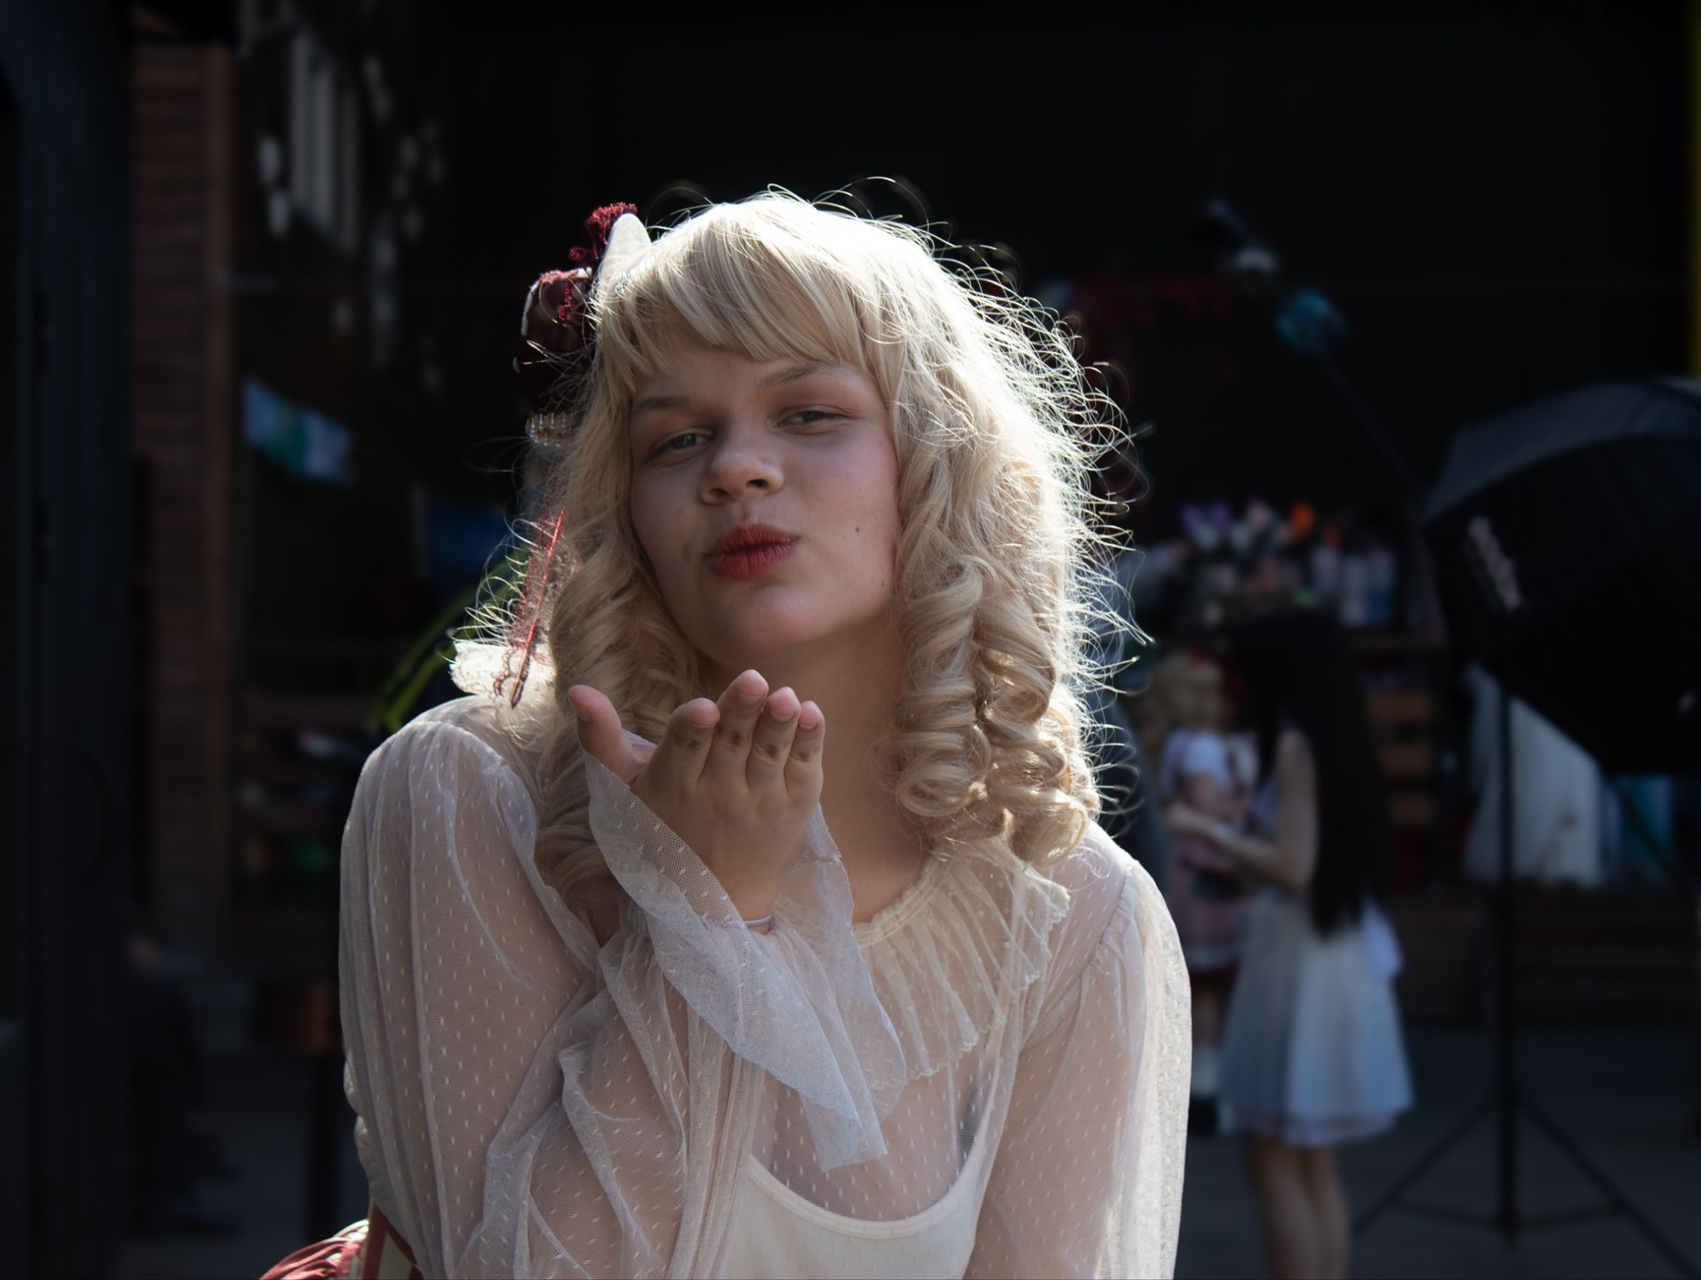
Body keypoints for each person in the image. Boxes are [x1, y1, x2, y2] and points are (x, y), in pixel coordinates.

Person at [268, 195, 1190, 1279]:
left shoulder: (1074, 915)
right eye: (678, 437)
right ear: (627, 509)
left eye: (809, 414)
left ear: (935, 461)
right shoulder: (473, 793)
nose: (736, 467)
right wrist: (703, 907)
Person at [1164, 609, 1410, 1280]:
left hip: (1298, 966)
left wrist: (1208, 831)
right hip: (1330, 954)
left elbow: (1295, 867)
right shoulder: (1338, 742)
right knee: (1313, 1163)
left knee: (1274, 1160)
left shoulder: (1299, 747)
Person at [1149, 651, 1253, 1135]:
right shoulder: (1203, 748)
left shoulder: (1175, 743)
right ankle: (1205, 1094)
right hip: (1206, 870)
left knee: (1201, 987)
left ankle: (1200, 1090)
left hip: (1188, 865)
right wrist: (1250, 800)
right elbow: (1209, 803)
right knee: (1208, 987)